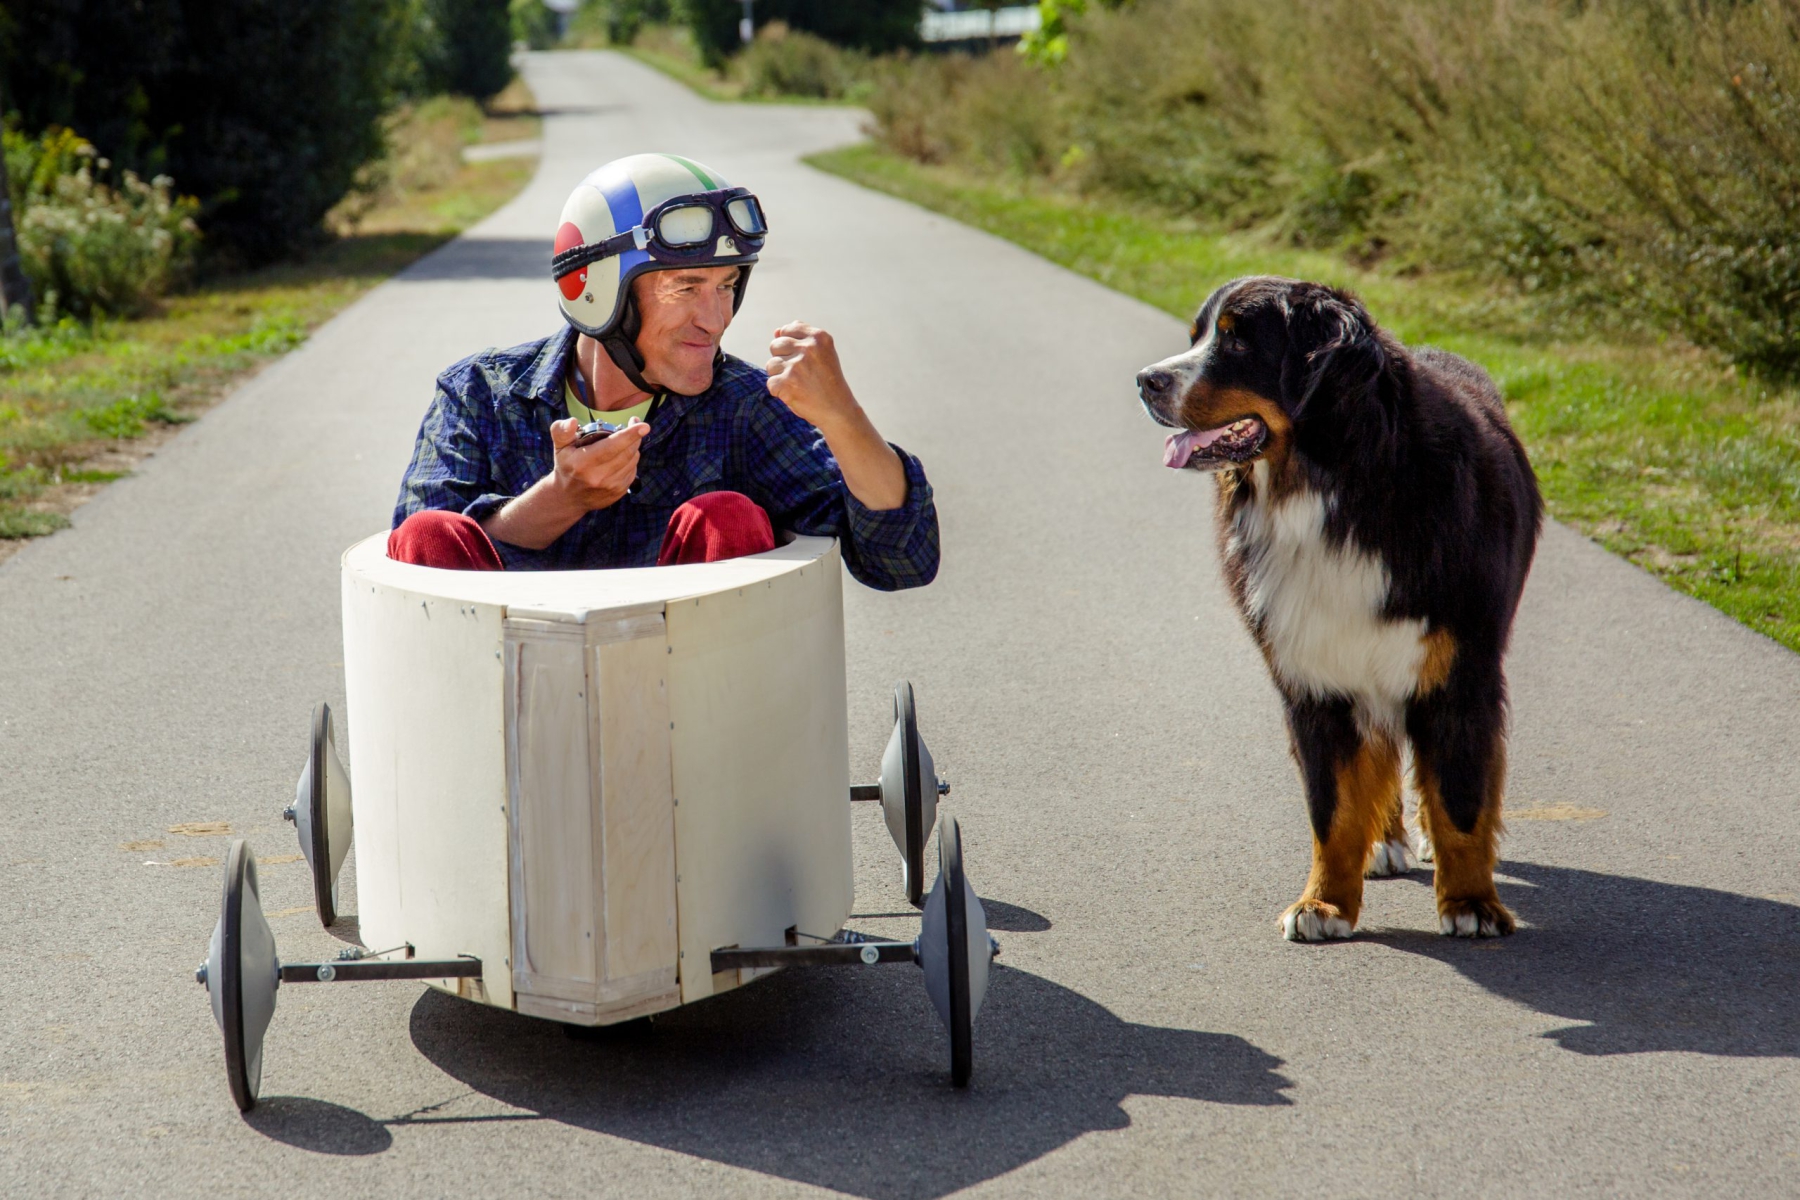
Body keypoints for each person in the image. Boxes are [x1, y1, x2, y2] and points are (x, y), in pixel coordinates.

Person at [389, 152, 939, 590]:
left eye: (727, 286)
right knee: (428, 534)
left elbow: (901, 561)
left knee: (726, 518)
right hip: (505, 703)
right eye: (686, 287)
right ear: (598, 289)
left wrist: (842, 416)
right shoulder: (478, 394)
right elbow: (416, 563)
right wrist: (563, 496)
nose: (716, 319)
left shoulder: (745, 404)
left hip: (695, 711)